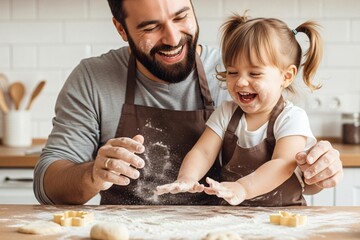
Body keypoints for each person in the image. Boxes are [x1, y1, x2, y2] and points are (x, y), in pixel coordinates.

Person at [33, 0, 343, 205]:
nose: (172, 38)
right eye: (151, 27)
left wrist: (317, 173)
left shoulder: (238, 66)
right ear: (120, 28)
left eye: (181, 16)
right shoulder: (93, 79)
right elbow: (47, 182)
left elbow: (291, 168)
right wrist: (92, 174)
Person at [156, 14, 328, 206]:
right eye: (233, 72)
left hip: (283, 217)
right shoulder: (226, 112)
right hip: (234, 216)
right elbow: (203, 152)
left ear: (286, 76)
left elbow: (283, 164)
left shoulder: (292, 118)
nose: (241, 81)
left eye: (254, 73)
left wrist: (243, 188)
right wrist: (187, 178)